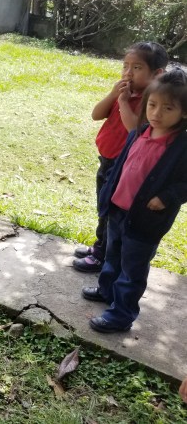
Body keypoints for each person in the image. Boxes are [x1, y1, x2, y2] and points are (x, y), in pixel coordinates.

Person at [81, 69, 187, 333]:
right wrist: (109, 192)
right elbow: (122, 166)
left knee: (132, 268)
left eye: (168, 108)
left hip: (145, 220)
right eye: (152, 105)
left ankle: (121, 314)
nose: (157, 113)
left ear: (184, 113)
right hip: (118, 209)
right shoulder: (140, 132)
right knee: (112, 255)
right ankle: (107, 291)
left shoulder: (181, 148)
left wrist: (166, 197)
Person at [73, 42, 168, 272]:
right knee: (103, 207)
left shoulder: (152, 102)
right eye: (125, 66)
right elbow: (96, 114)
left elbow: (134, 130)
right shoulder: (123, 93)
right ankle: (100, 245)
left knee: (112, 212)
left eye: (137, 67)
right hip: (106, 161)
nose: (128, 72)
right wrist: (114, 95)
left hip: (123, 166)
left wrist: (124, 102)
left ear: (157, 74)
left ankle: (103, 255)